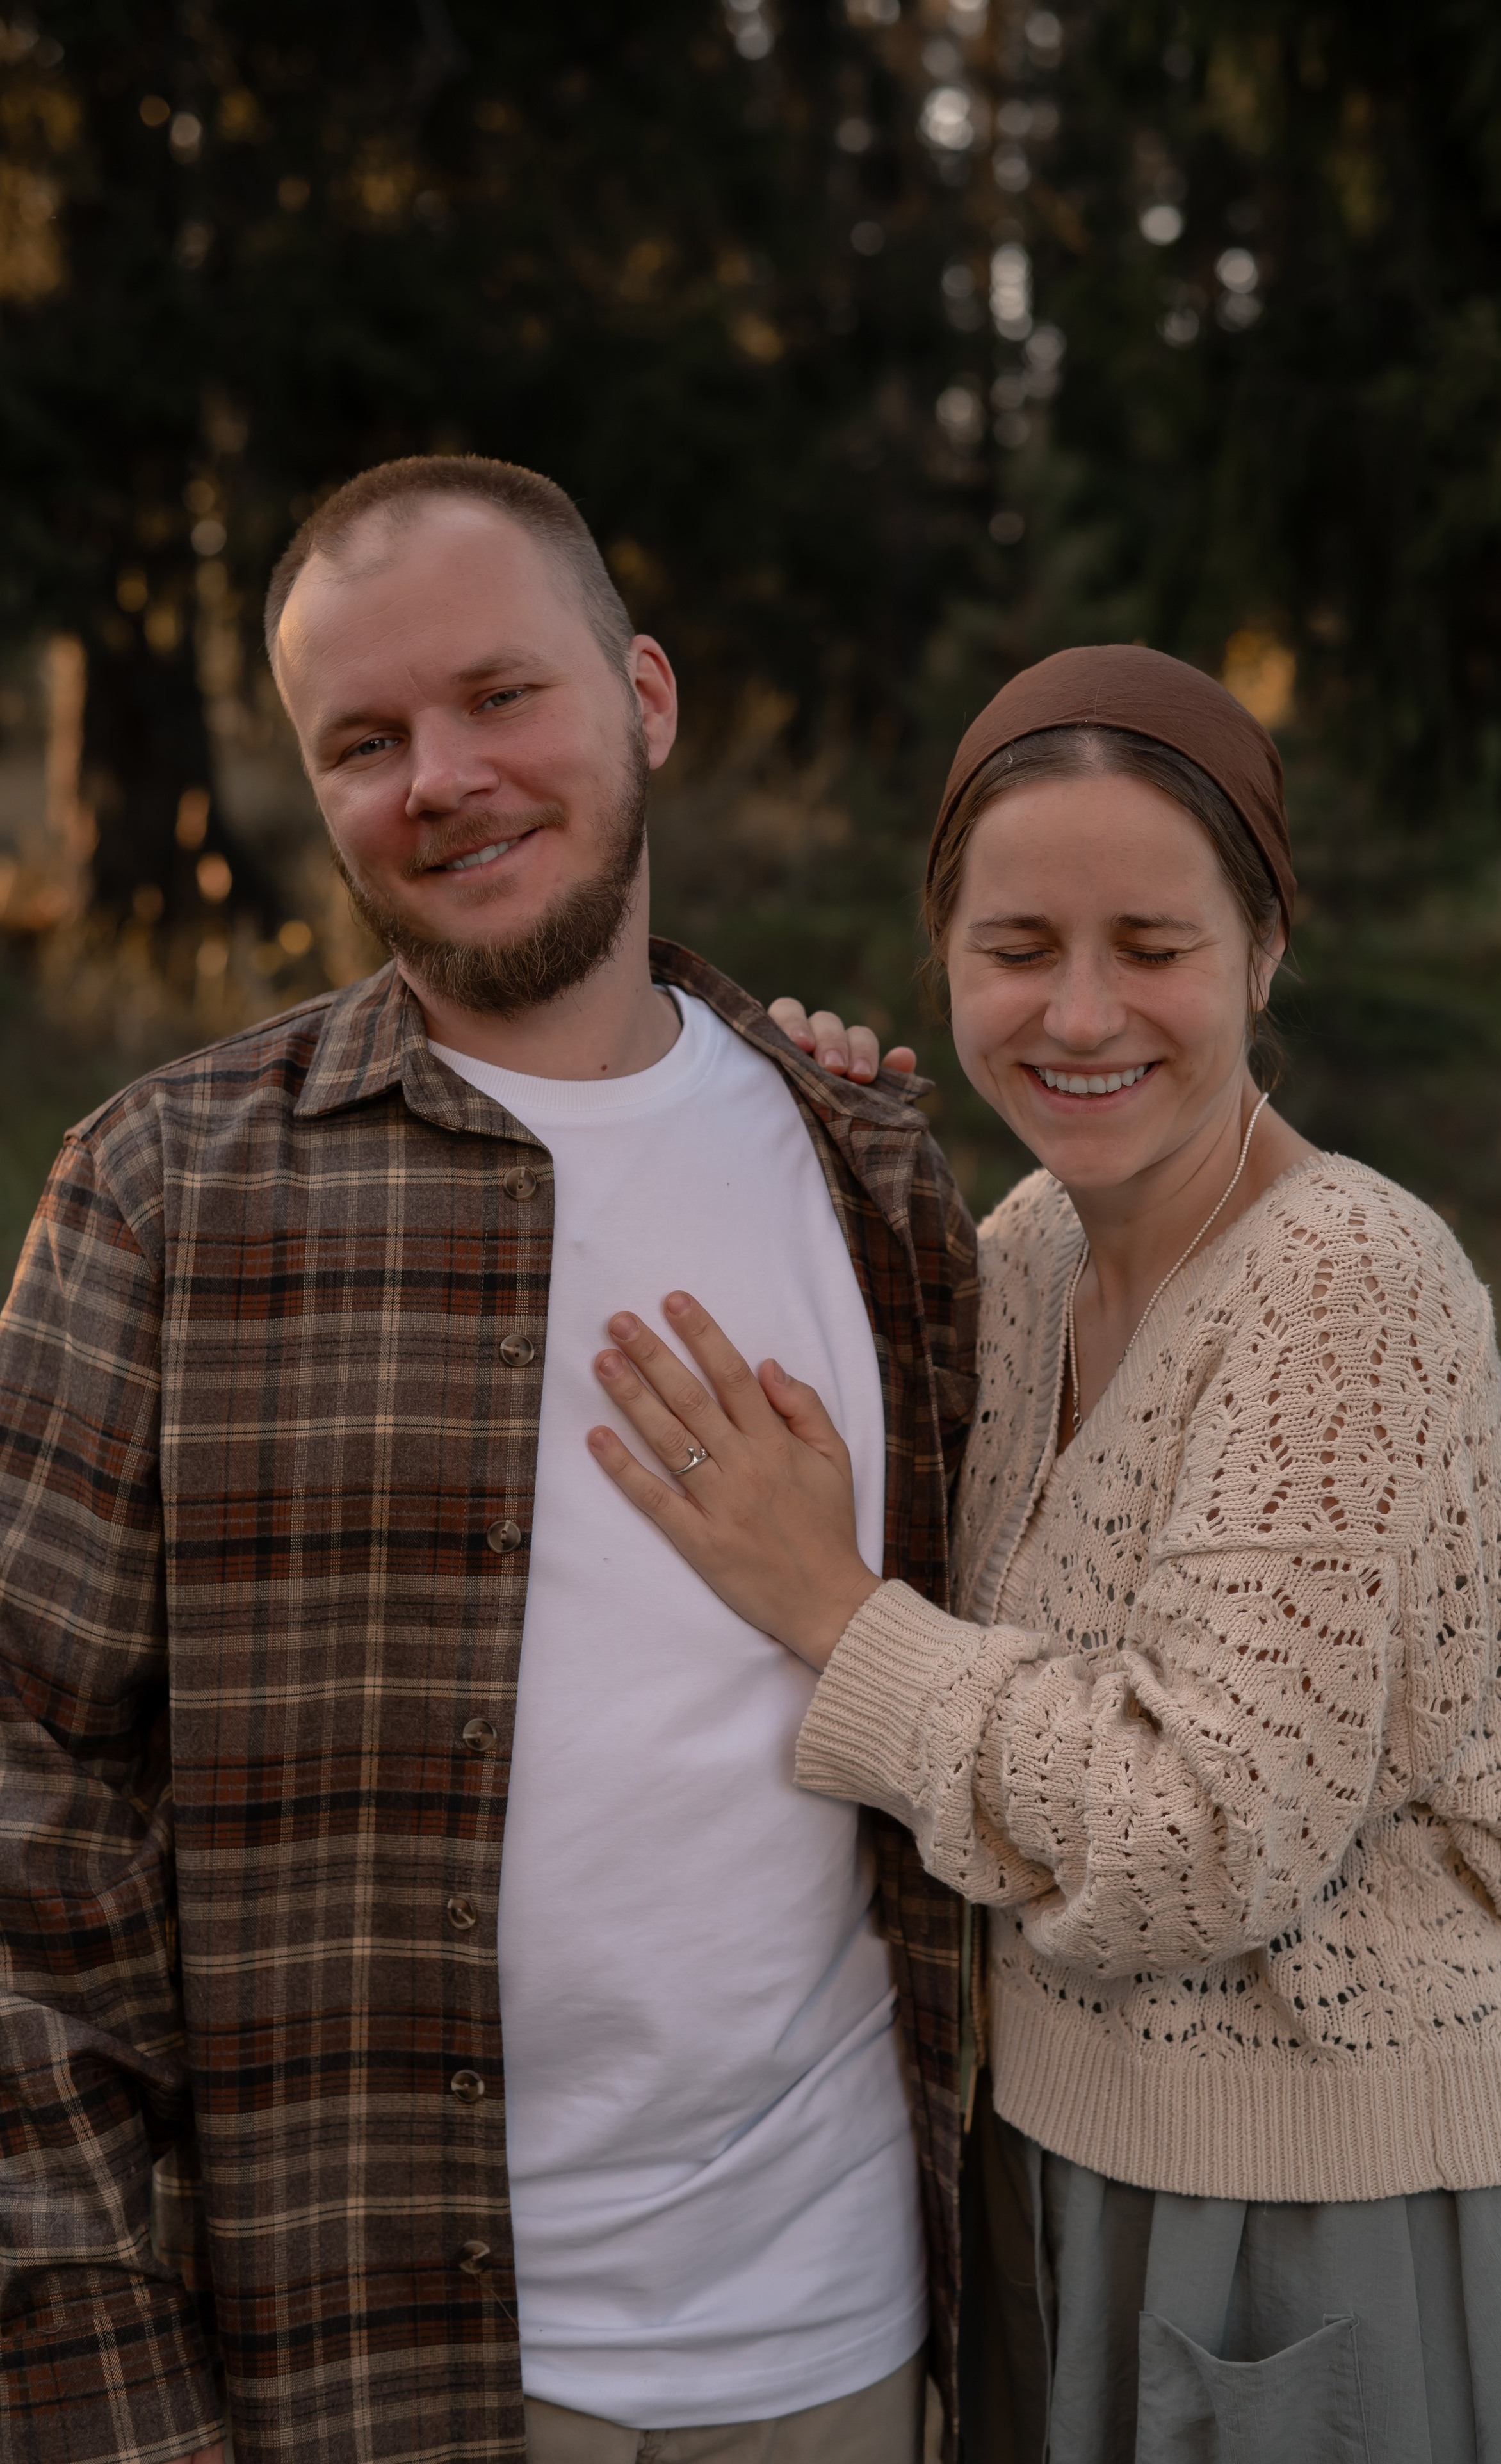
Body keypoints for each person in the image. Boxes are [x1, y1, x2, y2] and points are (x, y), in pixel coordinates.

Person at [0, 456, 978, 2464]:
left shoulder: (871, 1169)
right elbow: (26, 1869)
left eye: (497, 697)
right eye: (365, 739)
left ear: (645, 700)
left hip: (844, 2341)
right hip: (367, 2367)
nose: (440, 777)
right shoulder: (164, 1197)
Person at [585, 645, 1501, 2463]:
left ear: (1263, 952)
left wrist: (839, 1624)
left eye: (1151, 947)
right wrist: (820, 1145)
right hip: (1078, 2171)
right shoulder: (1028, 1252)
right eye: (1015, 951)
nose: (1078, 1015)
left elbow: (1204, 1834)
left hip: (1347, 2209)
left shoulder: (1345, 1279)